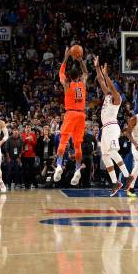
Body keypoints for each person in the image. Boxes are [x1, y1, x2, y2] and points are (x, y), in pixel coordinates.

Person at [94, 56, 131, 196]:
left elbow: (107, 83)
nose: (109, 87)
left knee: (113, 152)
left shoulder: (117, 98)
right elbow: (100, 80)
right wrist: (97, 68)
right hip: (105, 129)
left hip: (112, 127)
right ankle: (116, 182)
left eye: (113, 87)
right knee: (105, 155)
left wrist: (106, 75)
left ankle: (127, 177)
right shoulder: (107, 96)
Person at [54, 47, 88, 186]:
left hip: (71, 113)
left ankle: (58, 166)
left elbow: (61, 72)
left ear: (69, 76)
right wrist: (80, 61)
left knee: (63, 142)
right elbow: (86, 72)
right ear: (78, 76)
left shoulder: (67, 85)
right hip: (81, 115)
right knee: (77, 145)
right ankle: (77, 170)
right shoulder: (82, 84)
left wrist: (66, 57)